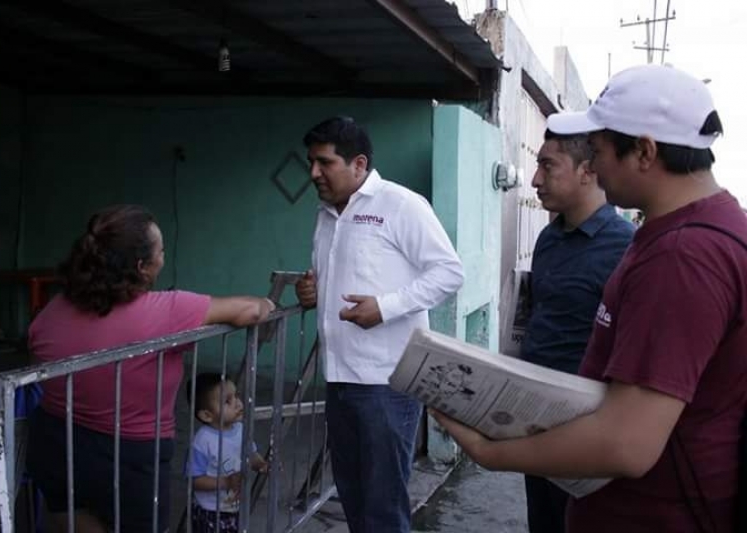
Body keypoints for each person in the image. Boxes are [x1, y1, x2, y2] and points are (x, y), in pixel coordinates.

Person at [432, 64, 747, 532]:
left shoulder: (683, 255)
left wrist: (491, 452)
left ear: (644, 151)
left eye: (598, 151)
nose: (593, 167)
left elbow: (627, 444)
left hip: (652, 513)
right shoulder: (695, 230)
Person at [26, 205, 275, 533]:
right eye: (161, 251)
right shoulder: (166, 311)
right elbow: (253, 310)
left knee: (70, 516)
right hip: (127, 454)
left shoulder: (53, 310)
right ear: (142, 267)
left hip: (55, 439)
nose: (164, 257)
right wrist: (270, 305)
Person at [295, 116, 464, 532]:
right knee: (353, 497)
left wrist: (385, 308)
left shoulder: (400, 205)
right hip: (338, 378)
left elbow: (448, 272)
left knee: (383, 505)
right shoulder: (326, 215)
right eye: (311, 163)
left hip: (385, 383)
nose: (314, 173)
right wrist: (311, 291)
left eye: (324, 163)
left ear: (358, 164)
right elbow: (337, 273)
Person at [522, 129, 633, 533]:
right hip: (533, 419)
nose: (535, 179)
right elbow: (538, 318)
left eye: (547, 166)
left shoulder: (626, 249)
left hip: (587, 429)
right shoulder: (548, 240)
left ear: (587, 171)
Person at [186, 373, 268, 533]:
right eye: (227, 401)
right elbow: (194, 480)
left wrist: (262, 464)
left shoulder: (240, 429)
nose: (237, 403)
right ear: (206, 415)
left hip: (235, 507)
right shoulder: (203, 441)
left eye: (236, 396)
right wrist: (225, 482)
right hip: (210, 512)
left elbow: (250, 454)